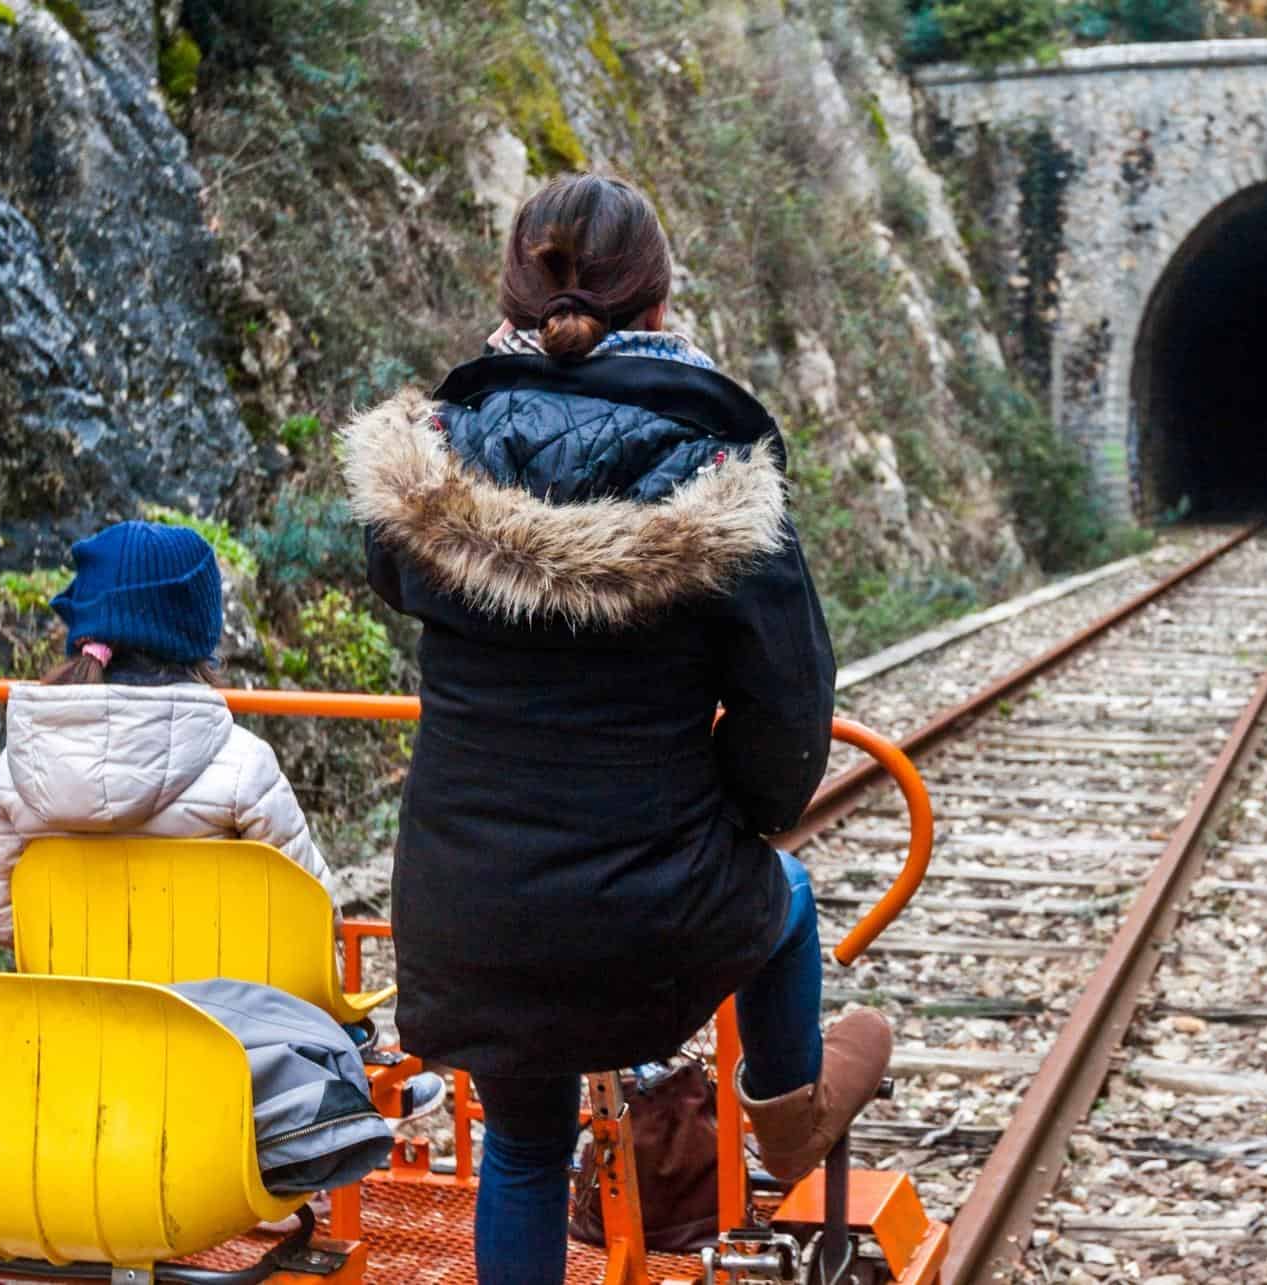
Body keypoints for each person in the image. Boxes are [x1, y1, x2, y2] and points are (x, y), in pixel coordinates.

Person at [344, 172, 891, 1285]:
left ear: (513, 294)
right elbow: (791, 703)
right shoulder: (716, 474)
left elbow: (400, 584)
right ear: (658, 302)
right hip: (648, 901)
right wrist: (734, 817)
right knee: (782, 899)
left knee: (526, 1144)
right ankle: (788, 1115)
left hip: (465, 903)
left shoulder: (427, 467)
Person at [0, 520, 446, 1130]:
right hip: (228, 1055)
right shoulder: (244, 765)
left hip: (85, 1049)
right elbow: (315, 914)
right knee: (337, 1023)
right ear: (197, 634)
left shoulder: (20, 767)